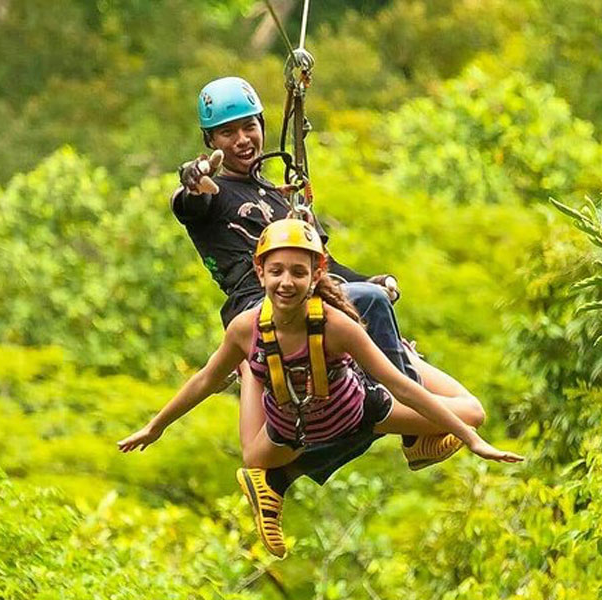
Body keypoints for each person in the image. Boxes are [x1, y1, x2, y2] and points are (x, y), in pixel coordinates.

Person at [170, 75, 479, 554]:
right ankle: (412, 433)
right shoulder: (212, 197)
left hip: (309, 300)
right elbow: (190, 203)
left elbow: (323, 268)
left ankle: (284, 476)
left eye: (248, 126)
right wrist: (193, 180)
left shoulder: (278, 197)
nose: (242, 139)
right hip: (263, 307)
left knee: (359, 411)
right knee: (376, 364)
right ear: (210, 141)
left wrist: (370, 280)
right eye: (227, 133)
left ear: (261, 125)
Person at [118, 219, 524, 557]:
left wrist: (471, 439)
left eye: (298, 272)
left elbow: (399, 385)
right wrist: (156, 426)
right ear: (260, 273)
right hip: (290, 432)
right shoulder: (245, 328)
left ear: (317, 274)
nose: (286, 282)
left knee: (471, 411)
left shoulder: (336, 326)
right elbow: (205, 379)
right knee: (252, 457)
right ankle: (254, 375)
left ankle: (409, 360)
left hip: (362, 413)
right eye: (276, 272)